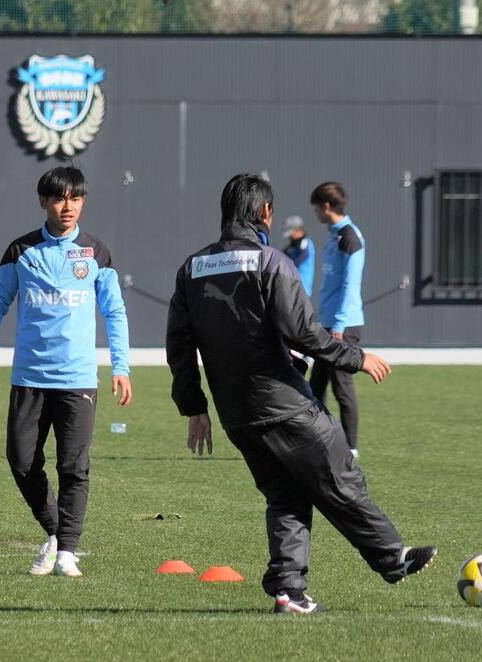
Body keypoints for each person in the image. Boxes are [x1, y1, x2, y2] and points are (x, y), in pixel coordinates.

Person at [166, 173, 435, 614]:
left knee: (287, 496)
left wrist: (195, 408)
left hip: (237, 416)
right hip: (284, 405)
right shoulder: (272, 262)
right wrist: (355, 358)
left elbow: (179, 347)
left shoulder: (191, 269)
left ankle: (289, 591)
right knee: (339, 472)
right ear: (265, 212)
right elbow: (304, 332)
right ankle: (392, 557)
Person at [0, 166, 132, 578]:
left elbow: (114, 311)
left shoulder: (96, 252)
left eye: (75, 198)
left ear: (83, 201)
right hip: (29, 378)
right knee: (21, 462)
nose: (67, 206)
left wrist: (120, 366)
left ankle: (68, 551)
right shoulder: (21, 251)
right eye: (58, 199)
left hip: (77, 381)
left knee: (73, 467)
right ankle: (56, 531)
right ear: (43, 202)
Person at [308, 182, 364, 458]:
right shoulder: (333, 236)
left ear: (326, 206)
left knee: (342, 387)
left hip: (344, 326)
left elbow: (349, 286)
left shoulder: (350, 238)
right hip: (328, 324)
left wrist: (339, 327)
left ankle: (350, 448)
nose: (316, 214)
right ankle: (315, 440)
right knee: (315, 387)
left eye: (317, 208)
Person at [281, 214, 315, 297]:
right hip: (291, 289)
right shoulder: (293, 245)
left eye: (291, 233)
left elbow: (297, 261)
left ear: (297, 230)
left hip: (301, 291)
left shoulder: (305, 243)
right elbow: (281, 257)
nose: (290, 237)